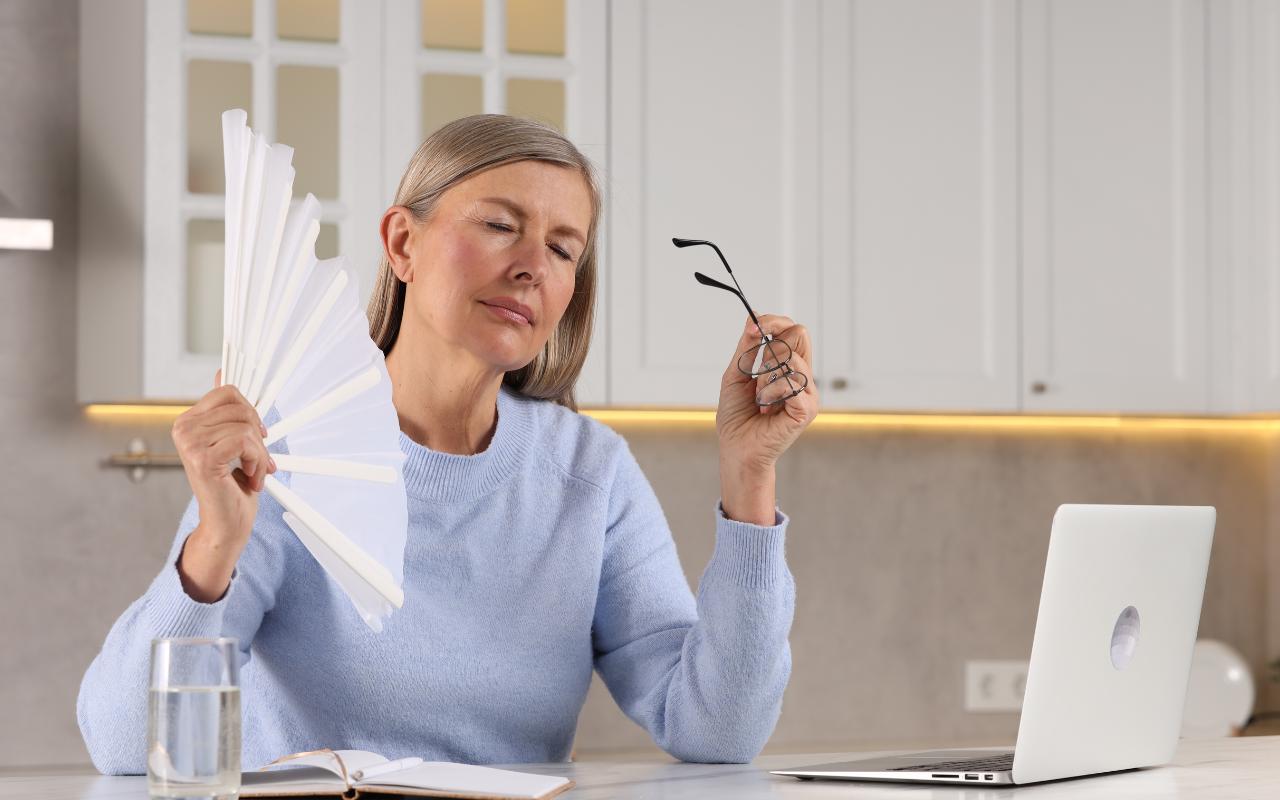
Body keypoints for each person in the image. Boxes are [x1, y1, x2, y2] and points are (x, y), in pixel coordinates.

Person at [77, 114, 819, 772]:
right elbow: (125, 747)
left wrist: (748, 475)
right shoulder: (285, 455)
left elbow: (718, 730)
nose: (533, 264)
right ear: (402, 242)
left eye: (564, 249)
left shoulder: (590, 473)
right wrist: (215, 542)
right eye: (500, 225)